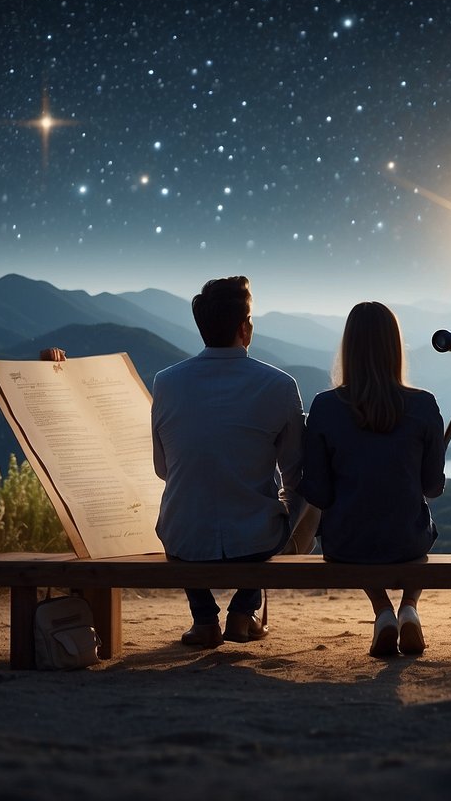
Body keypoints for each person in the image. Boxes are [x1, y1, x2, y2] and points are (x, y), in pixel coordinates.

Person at [151, 275, 310, 648]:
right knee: (303, 495)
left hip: (182, 539)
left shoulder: (166, 382)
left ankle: (205, 619)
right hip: (256, 541)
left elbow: (163, 470)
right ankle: (243, 608)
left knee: (185, 509)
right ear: (245, 327)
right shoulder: (279, 384)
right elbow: (297, 473)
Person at [300, 301, 446, 656]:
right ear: (395, 347)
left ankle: (383, 611)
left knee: (357, 525)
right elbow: (433, 488)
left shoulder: (324, 406)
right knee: (417, 521)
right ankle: (409, 606)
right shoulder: (424, 404)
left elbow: (317, 493)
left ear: (348, 348)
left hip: (346, 543)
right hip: (407, 541)